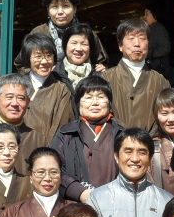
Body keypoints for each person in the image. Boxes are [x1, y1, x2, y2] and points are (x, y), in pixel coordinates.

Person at [52, 74, 125, 203]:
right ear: (78, 103)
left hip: (116, 202)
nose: (94, 102)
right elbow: (53, 168)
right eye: (88, 97)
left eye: (101, 97)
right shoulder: (66, 134)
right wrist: (79, 192)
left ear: (109, 103)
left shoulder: (122, 134)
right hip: (74, 204)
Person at [0, 72, 51, 178]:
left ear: (28, 102)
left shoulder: (38, 140)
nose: (14, 103)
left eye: (21, 98)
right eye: (9, 97)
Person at [102, 17, 171, 133]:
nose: (137, 44)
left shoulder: (160, 81)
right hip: (116, 141)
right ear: (120, 45)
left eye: (142, 38)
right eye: (131, 38)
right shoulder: (106, 78)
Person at [28, 0, 109, 68]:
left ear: (75, 9)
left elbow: (101, 62)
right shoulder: (38, 33)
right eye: (55, 7)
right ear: (48, 10)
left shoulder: (86, 33)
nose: (60, 12)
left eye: (65, 6)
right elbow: (22, 65)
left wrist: (101, 68)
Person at [14, 32, 75, 142]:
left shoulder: (61, 90)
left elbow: (61, 125)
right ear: (28, 58)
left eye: (48, 56)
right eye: (38, 56)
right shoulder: (16, 84)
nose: (44, 61)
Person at [54, 22, 103, 94]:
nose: (78, 49)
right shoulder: (54, 72)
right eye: (74, 43)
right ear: (65, 45)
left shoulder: (99, 74)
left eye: (84, 44)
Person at [144, 6, 173, 80]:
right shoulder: (150, 28)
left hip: (157, 69)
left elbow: (166, 47)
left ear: (155, 14)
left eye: (147, 14)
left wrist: (150, 54)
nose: (145, 17)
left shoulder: (159, 29)